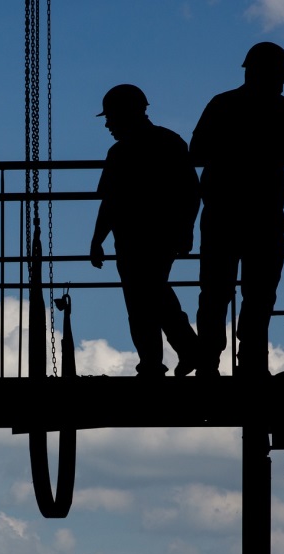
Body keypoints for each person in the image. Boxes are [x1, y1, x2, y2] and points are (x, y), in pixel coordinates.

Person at [191, 41, 284, 377]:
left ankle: (208, 364)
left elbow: (196, 152)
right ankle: (251, 363)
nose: (282, 83)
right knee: (259, 293)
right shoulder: (280, 108)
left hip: (223, 214)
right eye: (279, 77)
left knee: (215, 292)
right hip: (263, 216)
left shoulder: (222, 104)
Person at [90, 84, 200, 377]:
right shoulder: (168, 142)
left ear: (125, 114)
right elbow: (191, 192)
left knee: (143, 300)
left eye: (111, 117)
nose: (108, 124)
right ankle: (180, 353)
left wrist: (97, 240)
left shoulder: (121, 152)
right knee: (153, 294)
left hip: (134, 239)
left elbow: (110, 203)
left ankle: (160, 360)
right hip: (156, 236)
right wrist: (186, 231)